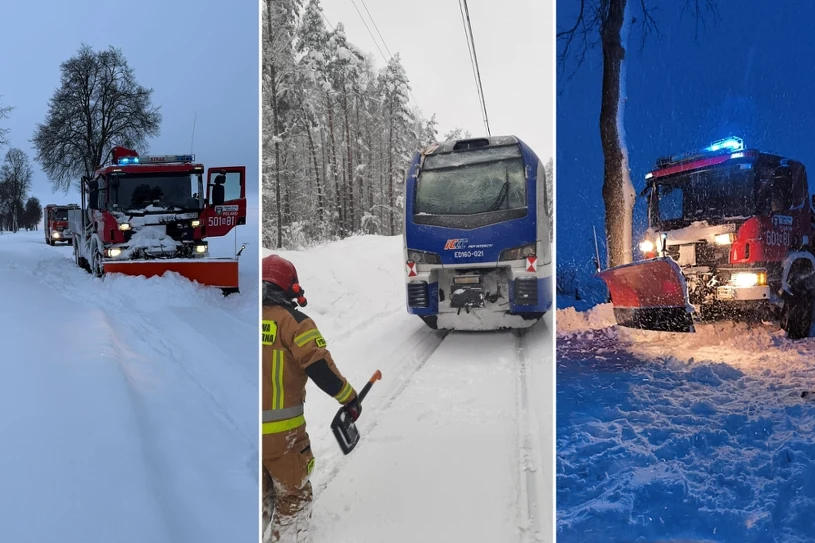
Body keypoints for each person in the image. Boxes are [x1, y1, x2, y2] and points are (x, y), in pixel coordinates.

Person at [261, 254, 361, 543]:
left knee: (261, 500)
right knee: (293, 497)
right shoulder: (295, 323)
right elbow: (319, 368)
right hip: (283, 439)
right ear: (290, 286)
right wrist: (349, 398)